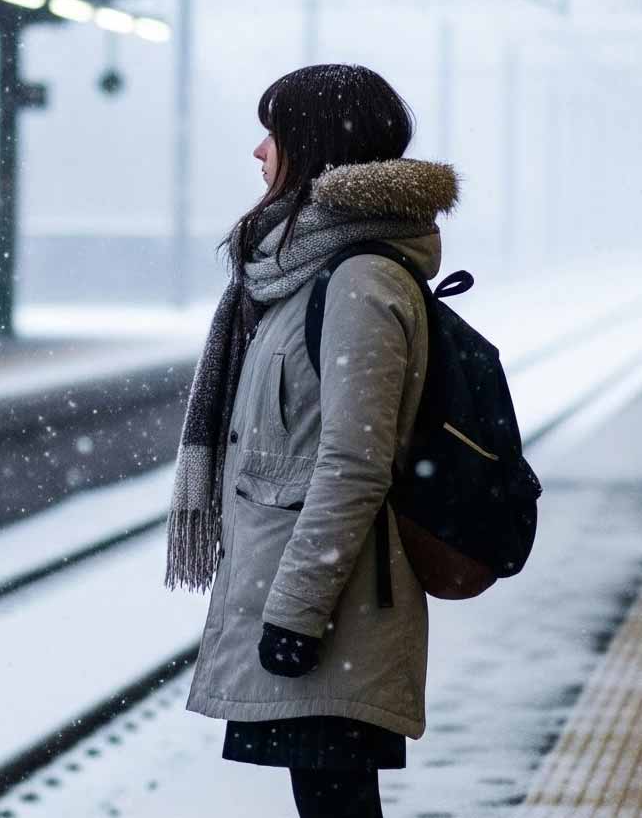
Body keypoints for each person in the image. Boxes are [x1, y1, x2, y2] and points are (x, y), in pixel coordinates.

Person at [164, 64, 460, 817]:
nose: (259, 152)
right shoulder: (302, 273)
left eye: (274, 134)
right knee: (332, 803)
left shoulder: (360, 281)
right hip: (316, 597)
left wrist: (295, 613)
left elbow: (355, 463)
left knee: (337, 803)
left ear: (316, 145)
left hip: (336, 609)